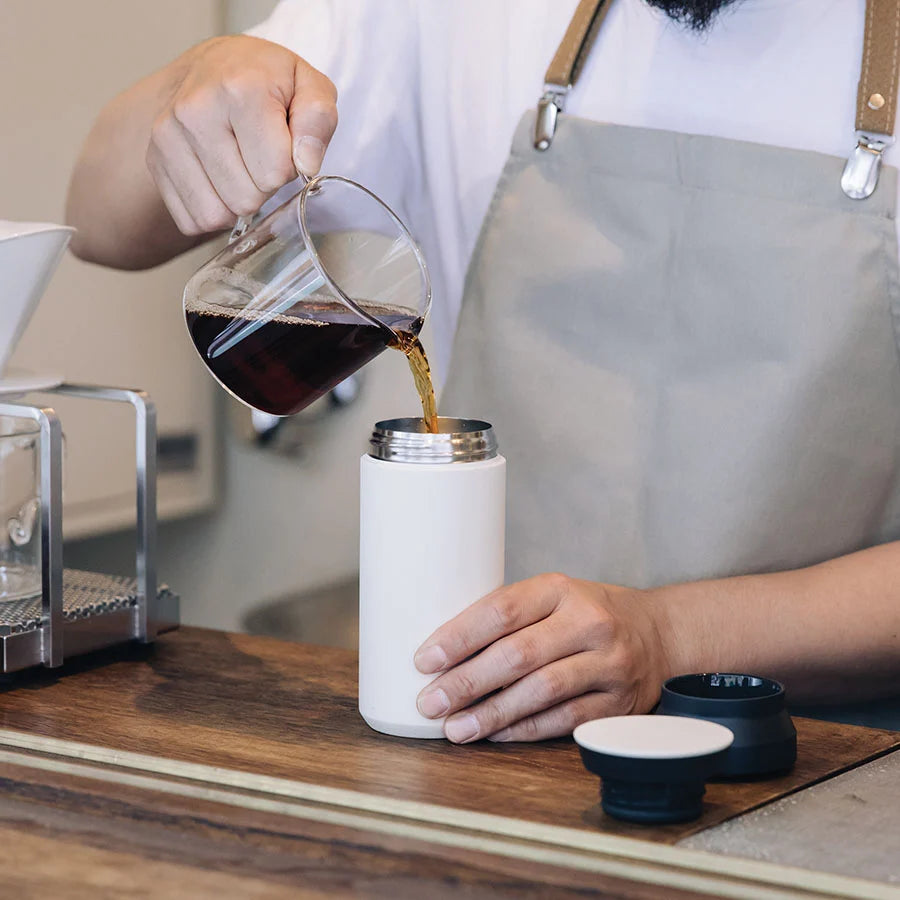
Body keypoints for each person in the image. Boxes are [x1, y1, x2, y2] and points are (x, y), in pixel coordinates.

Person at [67, 0, 900, 743]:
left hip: (835, 765)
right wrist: (198, 82)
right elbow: (98, 223)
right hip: (497, 742)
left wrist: (671, 636)